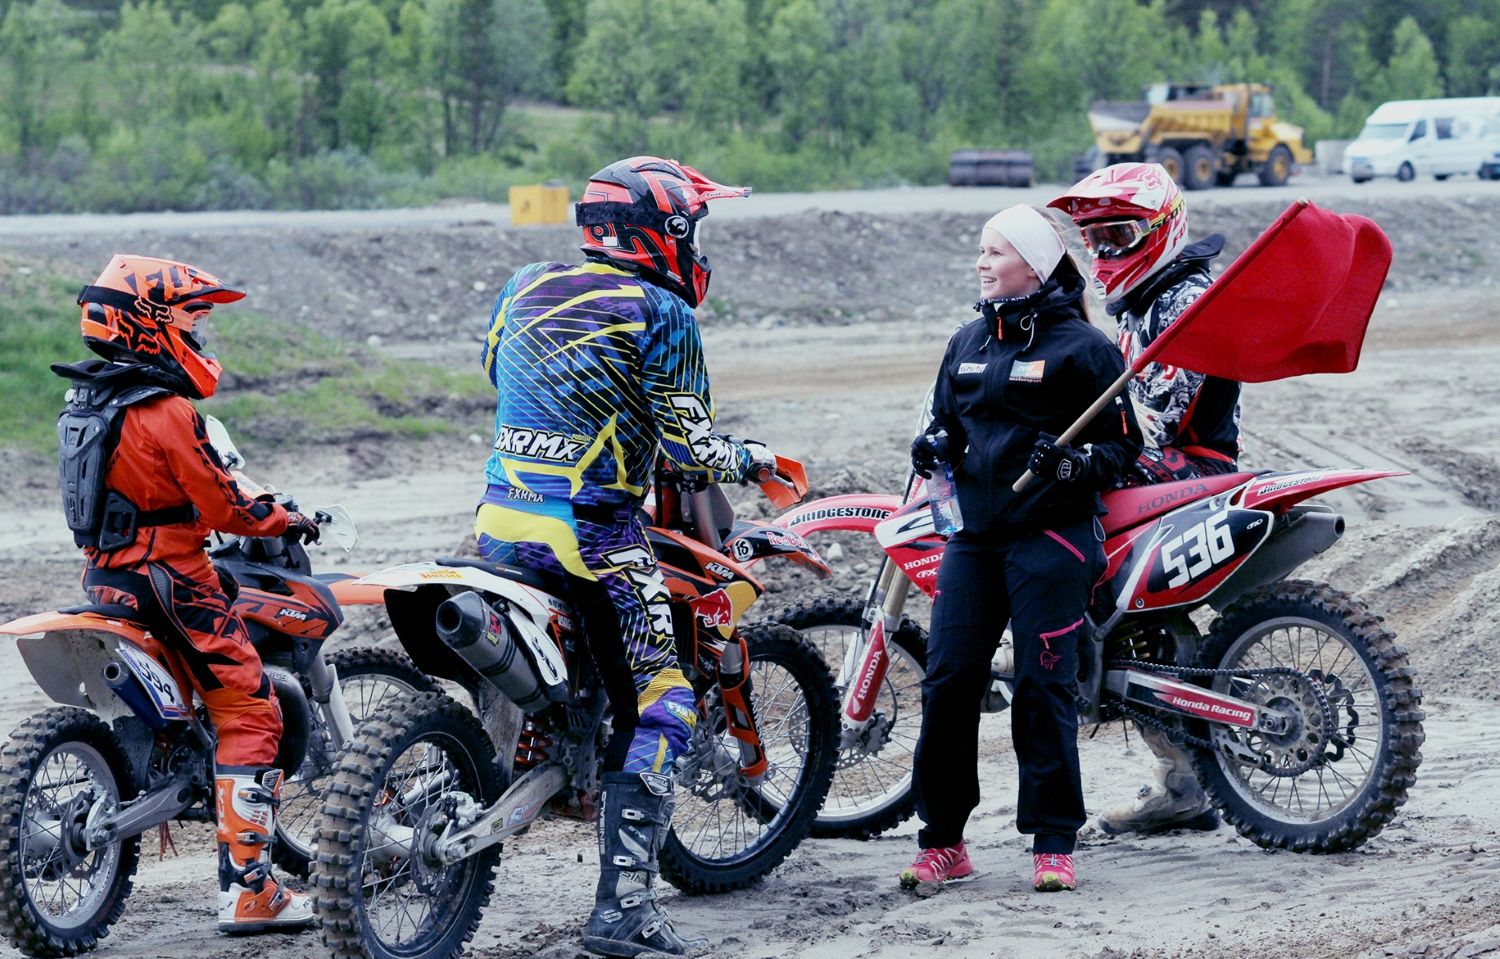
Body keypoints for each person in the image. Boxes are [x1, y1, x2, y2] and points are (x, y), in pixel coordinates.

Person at [476, 156, 780, 958]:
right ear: (666, 230)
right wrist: (752, 457)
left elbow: (495, 368)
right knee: (664, 702)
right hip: (594, 535)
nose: (698, 246)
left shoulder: (525, 282)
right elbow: (692, 448)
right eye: (694, 229)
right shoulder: (663, 312)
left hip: (499, 520)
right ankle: (624, 909)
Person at [57, 255, 320, 933]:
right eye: (191, 320)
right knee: (252, 709)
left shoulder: (87, 402)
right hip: (172, 579)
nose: (198, 335)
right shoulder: (166, 410)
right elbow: (226, 503)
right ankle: (251, 889)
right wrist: (284, 518)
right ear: (150, 323)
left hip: (106, 577)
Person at [901, 205, 1142, 894]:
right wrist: (933, 447)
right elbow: (947, 426)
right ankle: (944, 842)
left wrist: (1073, 464)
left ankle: (1054, 842)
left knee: (1043, 685)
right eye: (981, 250)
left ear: (1033, 266)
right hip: (975, 539)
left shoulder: (1085, 349)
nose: (982, 262)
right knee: (948, 683)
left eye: (996, 252)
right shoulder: (967, 341)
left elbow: (1124, 449)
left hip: (1053, 537)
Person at [1048, 162, 1243, 836]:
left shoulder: (1186, 298)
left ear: (1162, 230)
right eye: (1094, 239)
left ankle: (1073, 659)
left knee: (1062, 512)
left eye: (1119, 236)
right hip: (1160, 462)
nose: (1105, 252)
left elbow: (1157, 416)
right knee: (1128, 627)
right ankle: (1182, 781)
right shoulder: (1145, 299)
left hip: (1191, 464)